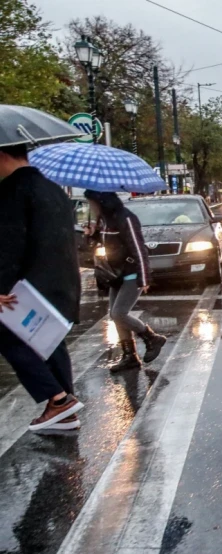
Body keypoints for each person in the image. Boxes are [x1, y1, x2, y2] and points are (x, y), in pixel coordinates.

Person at [0, 144, 84, 432]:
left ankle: (59, 400)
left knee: (8, 336)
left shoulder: (12, 191)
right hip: (61, 282)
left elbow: (9, 244)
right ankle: (65, 410)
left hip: (27, 286)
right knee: (49, 340)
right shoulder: (53, 189)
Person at [83, 190, 166, 372]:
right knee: (114, 315)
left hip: (131, 273)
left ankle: (152, 338)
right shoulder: (104, 220)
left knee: (119, 313)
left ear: (102, 201)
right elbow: (108, 244)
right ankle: (130, 356)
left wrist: (144, 278)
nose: (91, 207)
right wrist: (93, 234)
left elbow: (139, 248)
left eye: (92, 203)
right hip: (115, 274)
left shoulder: (126, 218)